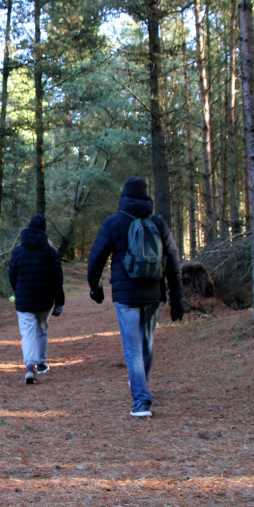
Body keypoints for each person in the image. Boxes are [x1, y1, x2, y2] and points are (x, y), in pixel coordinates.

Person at [87, 177, 184, 417]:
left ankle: (141, 401)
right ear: (146, 198)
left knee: (132, 349)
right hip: (153, 294)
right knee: (146, 343)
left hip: (126, 295)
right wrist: (176, 299)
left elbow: (95, 259)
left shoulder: (113, 222)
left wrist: (95, 287)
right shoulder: (159, 223)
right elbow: (173, 263)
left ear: (124, 197)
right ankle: (140, 383)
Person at [8, 214, 65, 384]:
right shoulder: (50, 252)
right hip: (45, 300)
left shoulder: (18, 251)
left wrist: (18, 290)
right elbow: (57, 279)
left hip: (24, 300)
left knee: (27, 334)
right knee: (41, 331)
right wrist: (59, 302)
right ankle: (41, 363)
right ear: (44, 231)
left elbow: (12, 275)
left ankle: (29, 368)